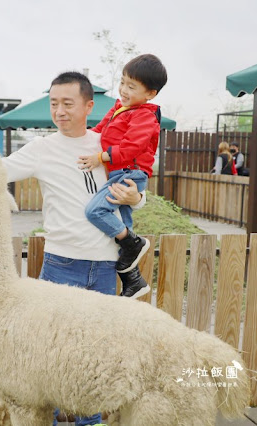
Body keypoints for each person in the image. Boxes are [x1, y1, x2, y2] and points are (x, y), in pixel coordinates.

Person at [0, 72, 144, 426]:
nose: (59, 111)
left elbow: (134, 188)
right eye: (54, 103)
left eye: (67, 103)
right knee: (45, 367)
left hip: (105, 266)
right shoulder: (43, 149)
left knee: (92, 365)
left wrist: (138, 198)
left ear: (88, 106)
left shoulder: (107, 145)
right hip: (61, 267)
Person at [77, 54, 167, 299]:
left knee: (96, 212)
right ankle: (134, 281)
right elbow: (98, 131)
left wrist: (100, 158)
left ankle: (135, 242)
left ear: (150, 94)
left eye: (132, 86)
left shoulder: (145, 116)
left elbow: (130, 148)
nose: (124, 90)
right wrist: (79, 139)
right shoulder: (119, 107)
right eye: (123, 82)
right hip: (120, 171)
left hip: (130, 172)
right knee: (123, 229)